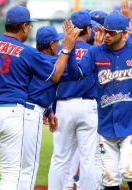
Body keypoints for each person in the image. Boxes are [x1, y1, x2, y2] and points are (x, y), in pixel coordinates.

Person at [0, 5, 82, 190]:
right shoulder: (26, 51)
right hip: (11, 112)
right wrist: (66, 50)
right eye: (29, 26)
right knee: (11, 173)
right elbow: (56, 75)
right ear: (24, 26)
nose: (29, 29)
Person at [79, 12, 132, 190]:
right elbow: (75, 73)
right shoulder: (95, 52)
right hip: (106, 125)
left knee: (130, 170)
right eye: (105, 31)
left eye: (112, 32)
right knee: (109, 177)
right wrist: (68, 49)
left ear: (124, 34)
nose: (107, 35)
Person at [18, 25, 82, 190]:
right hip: (31, 115)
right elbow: (75, 74)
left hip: (17, 111)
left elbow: (34, 88)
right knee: (28, 168)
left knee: (15, 166)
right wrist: (70, 49)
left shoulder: (30, 58)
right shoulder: (54, 61)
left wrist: (49, 110)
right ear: (53, 44)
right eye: (57, 42)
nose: (59, 44)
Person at [47, 11, 100, 190]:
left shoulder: (61, 52)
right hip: (88, 106)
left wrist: (51, 110)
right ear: (87, 29)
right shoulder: (95, 51)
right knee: (88, 159)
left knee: (60, 157)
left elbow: (52, 83)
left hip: (63, 106)